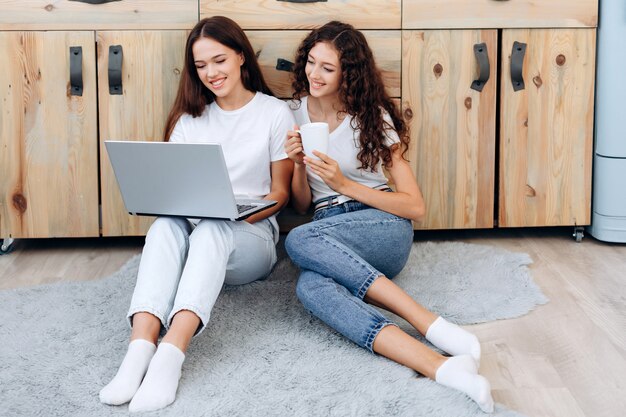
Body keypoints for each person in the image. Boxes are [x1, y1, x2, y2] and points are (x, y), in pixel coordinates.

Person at [284, 21, 494, 413]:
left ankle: (429, 322)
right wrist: (298, 166)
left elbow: (414, 205)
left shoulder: (371, 117)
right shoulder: (291, 113)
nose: (314, 73)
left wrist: (345, 185)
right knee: (309, 288)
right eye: (311, 62)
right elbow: (300, 206)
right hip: (327, 228)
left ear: (349, 72)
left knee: (297, 241)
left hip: (380, 225)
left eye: (327, 68)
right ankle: (440, 366)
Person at [99, 16, 294, 413]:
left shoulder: (274, 114)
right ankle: (140, 347)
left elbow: (280, 195)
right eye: (201, 66)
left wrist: (235, 215)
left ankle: (172, 351)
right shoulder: (190, 119)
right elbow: (174, 193)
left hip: (251, 239)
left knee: (213, 229)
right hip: (195, 228)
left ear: (241, 56)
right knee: (165, 225)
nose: (211, 73)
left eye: (219, 61)